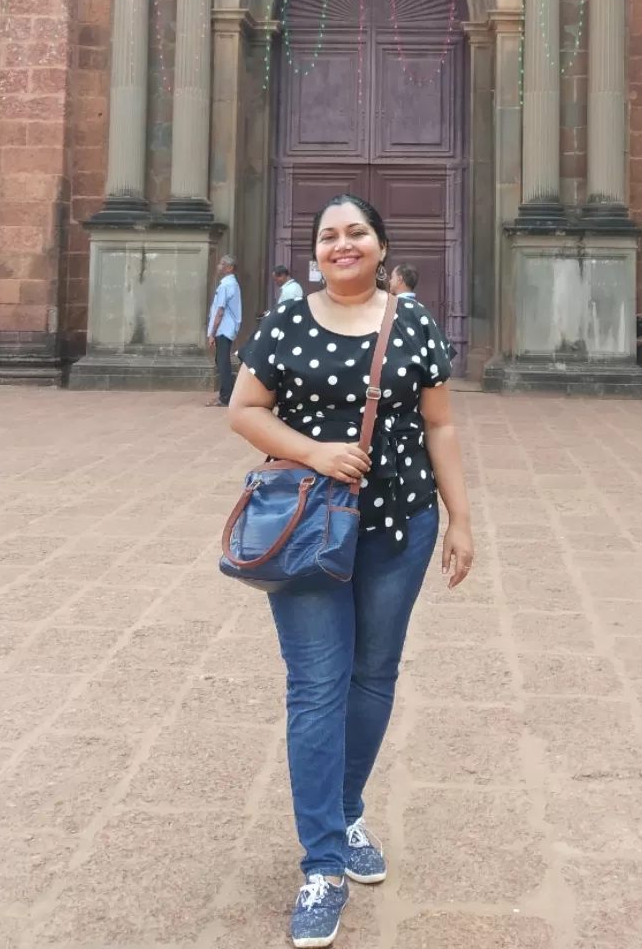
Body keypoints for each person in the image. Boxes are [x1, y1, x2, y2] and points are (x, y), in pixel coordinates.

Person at [230, 194, 473, 949]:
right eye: (330, 235)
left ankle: (344, 809)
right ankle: (323, 865)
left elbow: (440, 422)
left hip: (401, 525)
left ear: (379, 244)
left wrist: (461, 518)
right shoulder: (286, 322)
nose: (344, 245)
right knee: (316, 686)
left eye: (356, 232)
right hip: (307, 530)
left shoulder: (413, 322)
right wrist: (315, 452)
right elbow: (244, 410)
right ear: (315, 251)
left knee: (374, 674)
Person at [206, 255, 241, 407]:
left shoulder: (226, 286)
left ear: (229, 267)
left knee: (223, 363)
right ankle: (224, 394)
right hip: (227, 328)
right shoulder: (230, 284)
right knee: (221, 362)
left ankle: (225, 397)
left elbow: (220, 311)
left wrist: (212, 332)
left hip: (223, 329)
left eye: (222, 263)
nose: (219, 266)